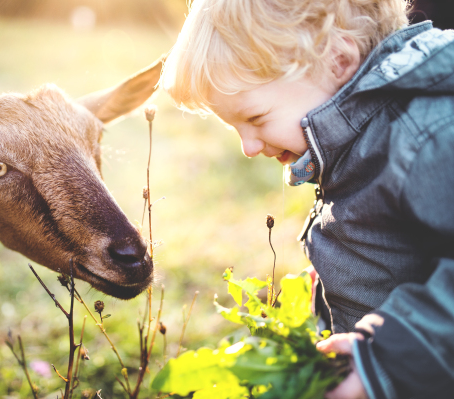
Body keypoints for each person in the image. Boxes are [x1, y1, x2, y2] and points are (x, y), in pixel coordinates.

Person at [160, 1, 454, 398]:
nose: (247, 147)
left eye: (257, 118)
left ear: (338, 60)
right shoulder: (361, 134)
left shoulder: (427, 135)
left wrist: (387, 359)